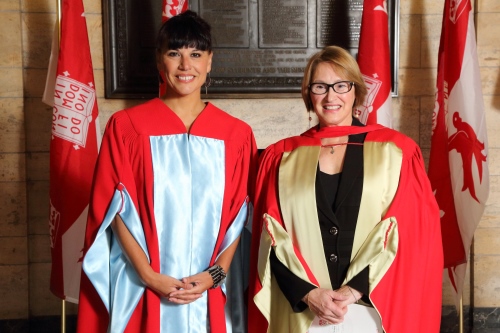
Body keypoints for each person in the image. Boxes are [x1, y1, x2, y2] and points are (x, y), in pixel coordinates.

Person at [76, 10, 257, 333]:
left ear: (210, 61)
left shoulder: (236, 135)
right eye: (175, 53)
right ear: (160, 61)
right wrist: (148, 276)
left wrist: (215, 274)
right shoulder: (127, 128)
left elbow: (238, 213)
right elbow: (114, 210)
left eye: (196, 54)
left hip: (209, 289)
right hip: (145, 285)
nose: (186, 66)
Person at [247, 45, 443, 332]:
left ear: (356, 91)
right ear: (308, 94)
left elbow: (412, 230)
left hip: (371, 309)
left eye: (341, 85)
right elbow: (269, 238)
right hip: (304, 312)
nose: (331, 96)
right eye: (320, 86)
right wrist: (308, 294)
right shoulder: (282, 156)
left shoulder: (396, 151)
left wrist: (354, 290)